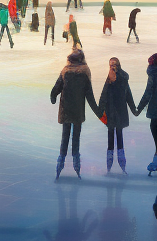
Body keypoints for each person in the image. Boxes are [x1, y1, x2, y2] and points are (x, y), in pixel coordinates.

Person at [50, 49, 100, 179]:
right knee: (76, 138)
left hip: (66, 110)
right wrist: (98, 111)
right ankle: (76, 165)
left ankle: (60, 164)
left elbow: (57, 86)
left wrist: (53, 96)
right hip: (77, 111)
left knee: (64, 137)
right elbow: (89, 94)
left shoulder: (65, 71)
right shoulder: (85, 72)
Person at [98, 56, 137, 173]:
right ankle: (109, 166)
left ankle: (122, 164)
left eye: (114, 64)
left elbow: (128, 96)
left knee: (119, 139)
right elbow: (103, 95)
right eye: (110, 64)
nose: (112, 66)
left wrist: (134, 109)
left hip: (119, 114)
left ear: (118, 65)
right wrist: (99, 110)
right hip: (111, 114)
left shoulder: (123, 79)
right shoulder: (109, 78)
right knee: (111, 140)